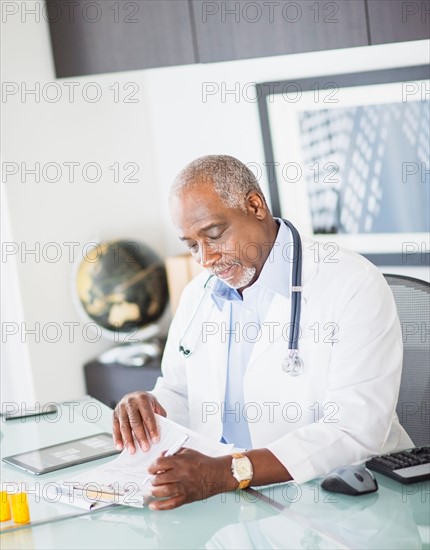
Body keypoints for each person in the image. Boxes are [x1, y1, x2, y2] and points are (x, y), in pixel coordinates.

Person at [113, 155, 413, 510]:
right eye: (192, 245)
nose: (206, 258)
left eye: (213, 234)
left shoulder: (351, 283)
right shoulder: (199, 295)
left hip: (347, 500)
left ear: (254, 205)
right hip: (237, 502)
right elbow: (179, 389)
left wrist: (228, 471)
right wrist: (151, 407)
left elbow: (354, 431)